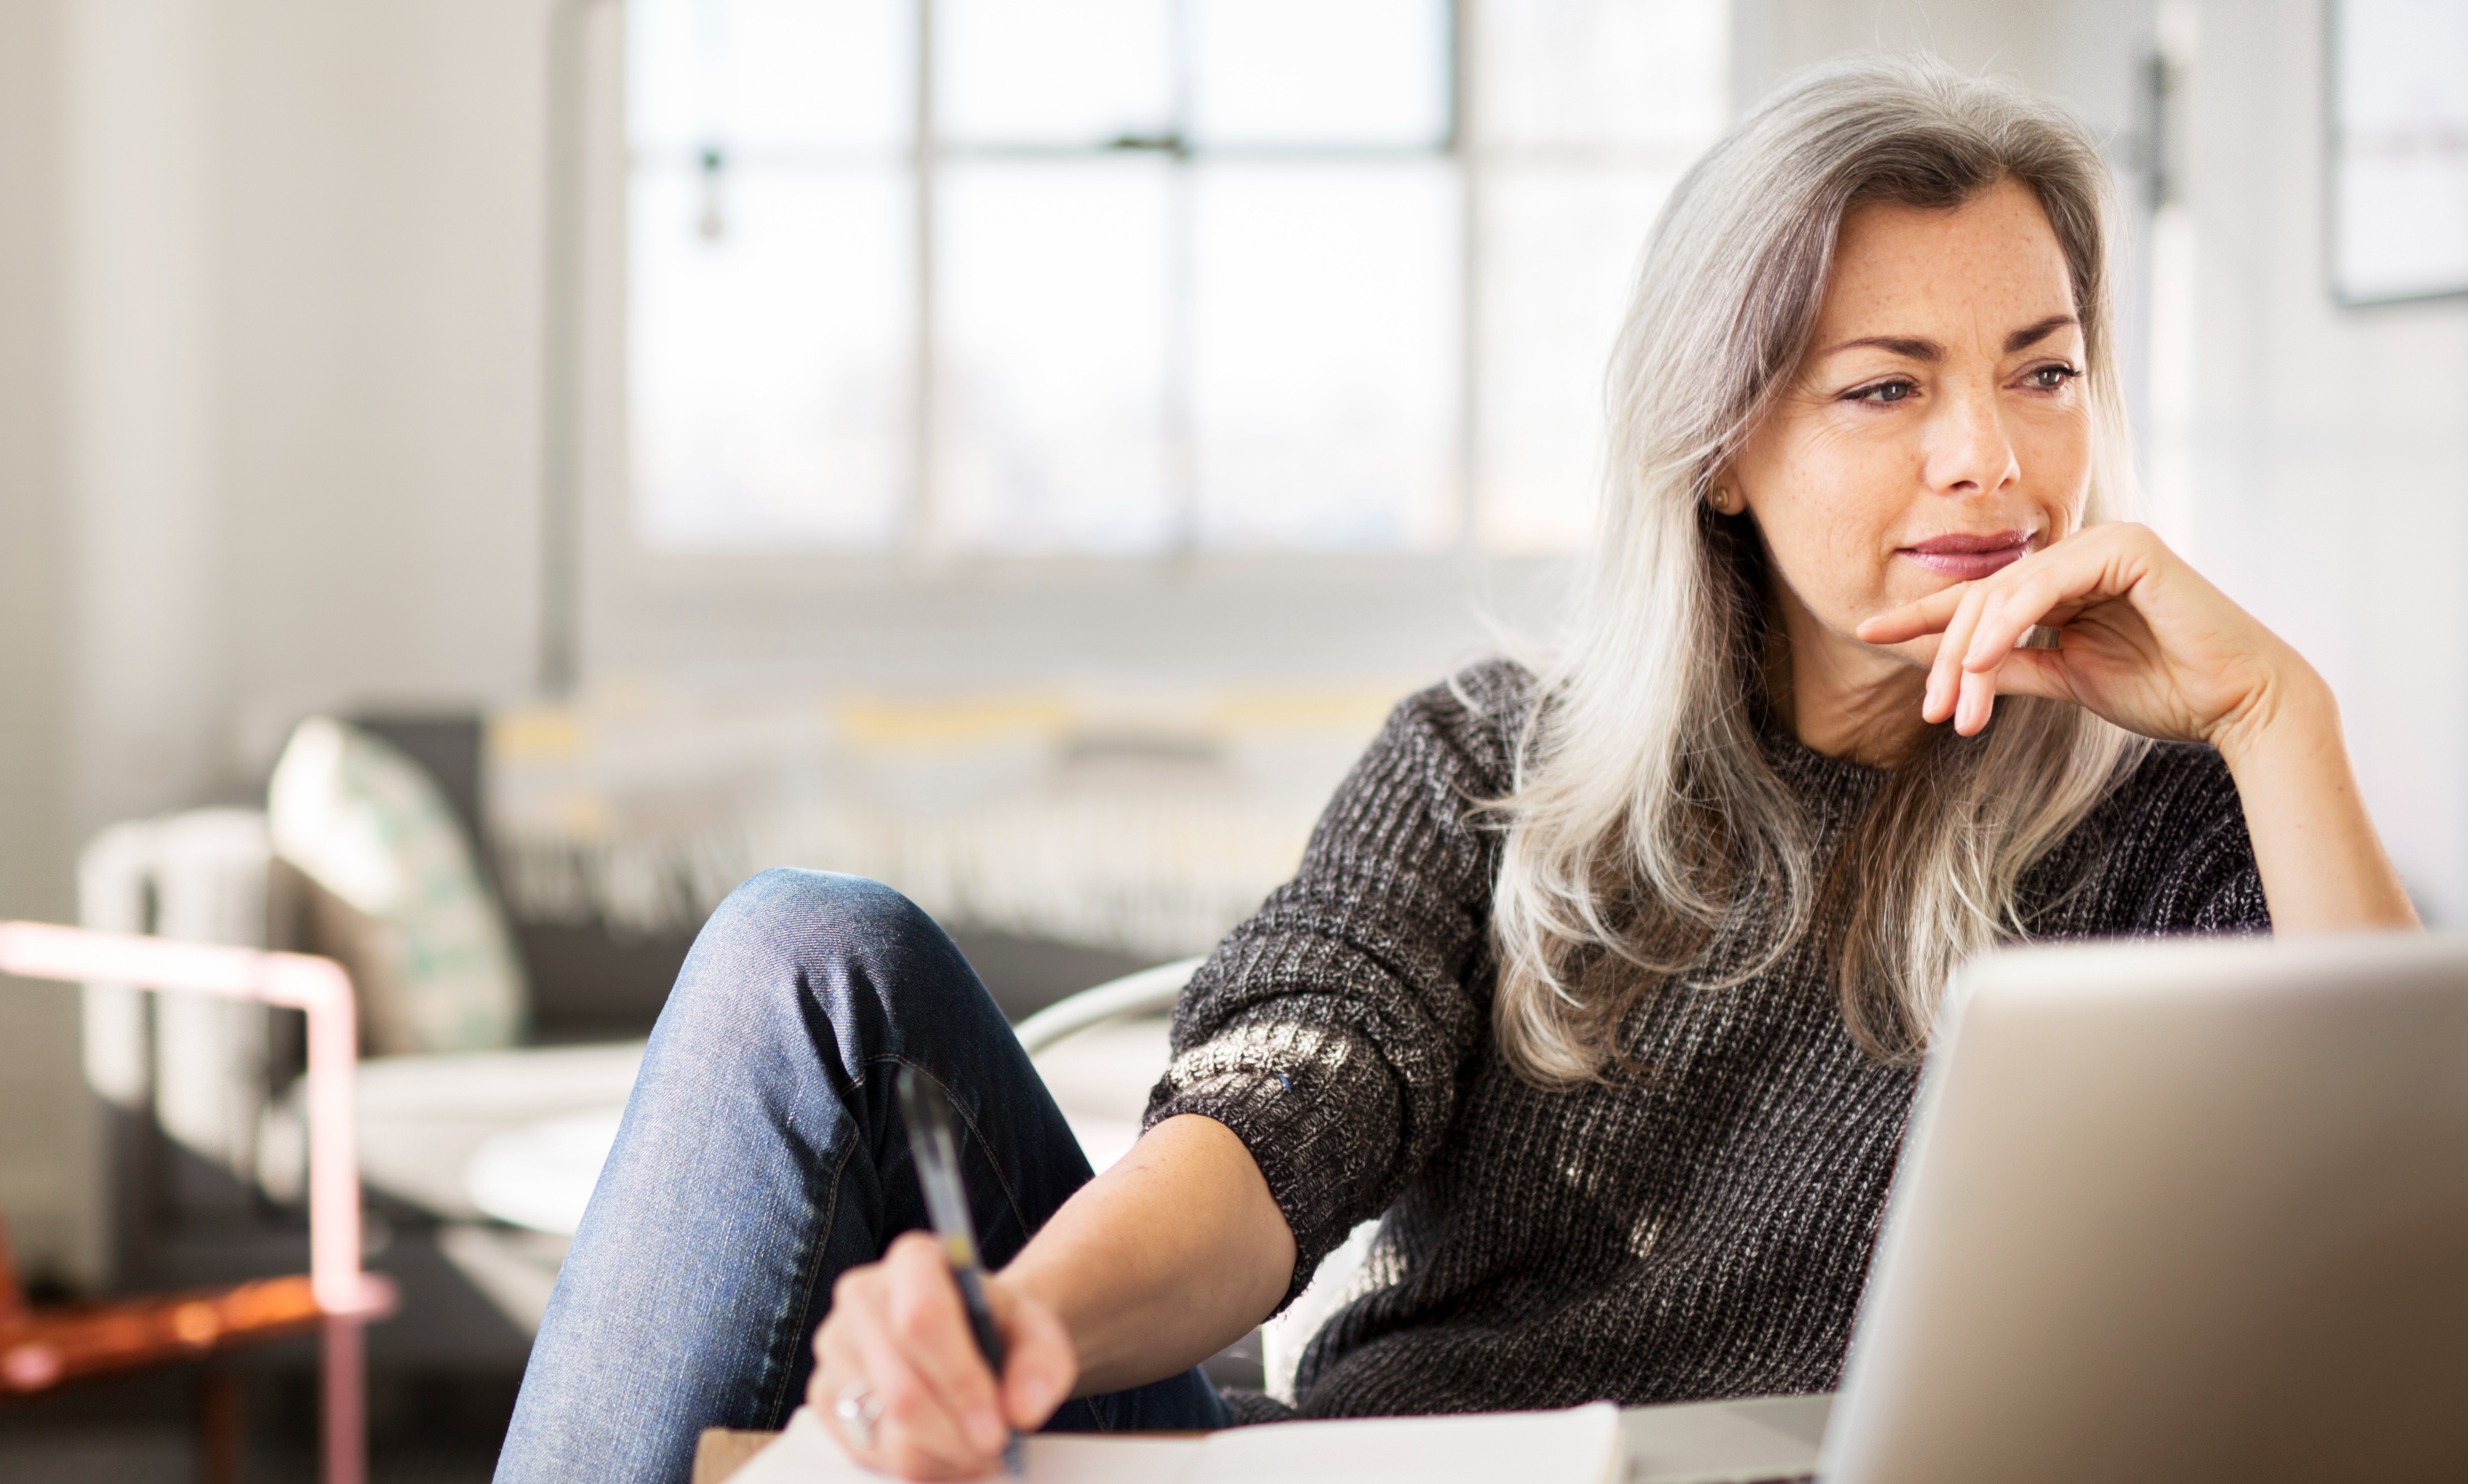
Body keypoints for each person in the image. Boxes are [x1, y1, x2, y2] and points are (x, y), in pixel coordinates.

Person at [492, 54, 2417, 1484]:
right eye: (1888, 385)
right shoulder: (1493, 762)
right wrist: (1017, 1330)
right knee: (800, 953)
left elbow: (2410, 1284)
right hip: (1379, 1463)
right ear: (1724, 444)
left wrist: (2279, 721)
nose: (1991, 458)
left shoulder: (2172, 826)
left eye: (2045, 367)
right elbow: (1275, 1128)